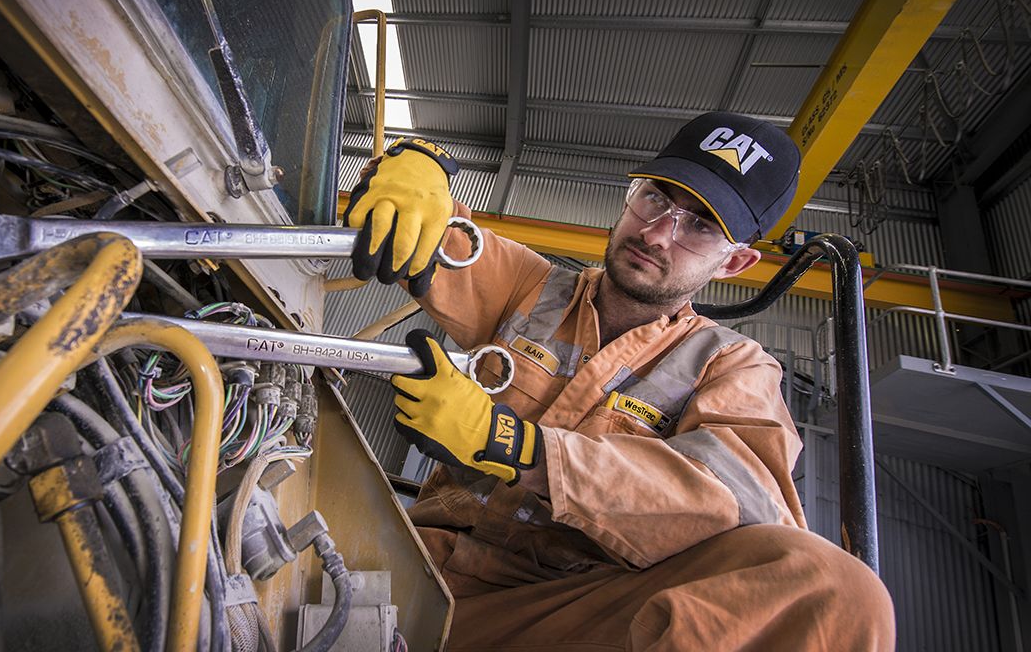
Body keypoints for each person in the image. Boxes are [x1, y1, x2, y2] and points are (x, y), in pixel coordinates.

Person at [343, 112, 895, 650]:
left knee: (843, 594)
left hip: (570, 611)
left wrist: (517, 446)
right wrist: (417, 163)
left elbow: (731, 501)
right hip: (419, 560)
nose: (656, 234)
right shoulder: (532, 288)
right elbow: (420, 230)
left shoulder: (733, 367)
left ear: (735, 263)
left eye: (700, 226)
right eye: (655, 198)